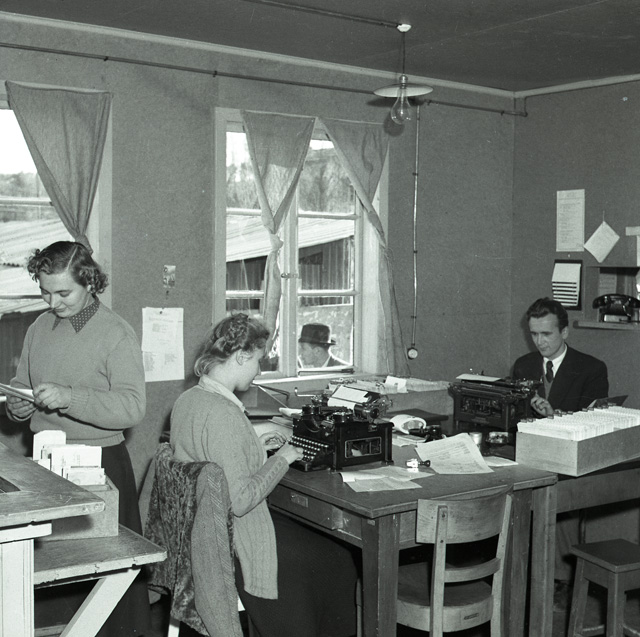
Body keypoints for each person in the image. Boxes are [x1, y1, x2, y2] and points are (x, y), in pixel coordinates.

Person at [171, 313, 358, 637]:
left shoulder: (189, 399)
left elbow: (212, 460)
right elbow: (241, 501)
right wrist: (283, 458)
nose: (258, 370)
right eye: (258, 360)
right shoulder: (223, 413)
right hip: (235, 542)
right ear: (241, 356)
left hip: (202, 531)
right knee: (338, 558)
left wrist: (253, 446)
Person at [5, 240, 149, 636]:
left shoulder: (115, 333)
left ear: (89, 282)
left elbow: (133, 407)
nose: (53, 302)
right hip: (47, 464)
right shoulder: (39, 327)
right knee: (51, 576)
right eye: (45, 292)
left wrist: (70, 397)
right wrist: (18, 405)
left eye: (63, 293)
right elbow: (22, 384)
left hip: (100, 465)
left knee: (104, 577)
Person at [512, 296, 609, 608]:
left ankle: (563, 581)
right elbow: (514, 416)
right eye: (534, 334)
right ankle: (519, 578)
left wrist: (555, 416)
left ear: (564, 332)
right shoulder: (524, 365)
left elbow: (593, 424)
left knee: (562, 507)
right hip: (531, 455)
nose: (539, 341)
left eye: (546, 334)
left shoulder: (591, 368)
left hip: (571, 461)